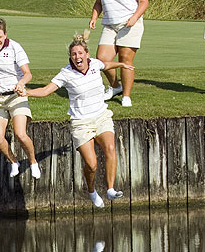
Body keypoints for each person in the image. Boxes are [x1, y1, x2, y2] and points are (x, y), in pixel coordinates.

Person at [23, 31, 131, 207]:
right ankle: (92, 190)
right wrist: (26, 92)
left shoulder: (94, 64)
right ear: (70, 57)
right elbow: (45, 90)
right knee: (92, 164)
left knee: (110, 148)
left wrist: (122, 64)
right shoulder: (65, 73)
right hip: (81, 123)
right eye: (74, 54)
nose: (77, 57)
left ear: (86, 55)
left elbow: (106, 64)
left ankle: (110, 189)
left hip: (101, 116)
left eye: (80, 53)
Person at [0, 14, 41, 179]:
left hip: (16, 96)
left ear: (5, 34)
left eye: (0, 36)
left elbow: (28, 74)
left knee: (20, 134)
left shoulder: (14, 47)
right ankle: (14, 162)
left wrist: (21, 83)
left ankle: (33, 162)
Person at [89, 0, 149, 108]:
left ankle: (126, 96)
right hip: (109, 24)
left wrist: (135, 17)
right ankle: (116, 87)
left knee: (125, 60)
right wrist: (94, 17)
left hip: (129, 24)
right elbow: (99, 2)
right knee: (101, 59)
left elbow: (143, 2)